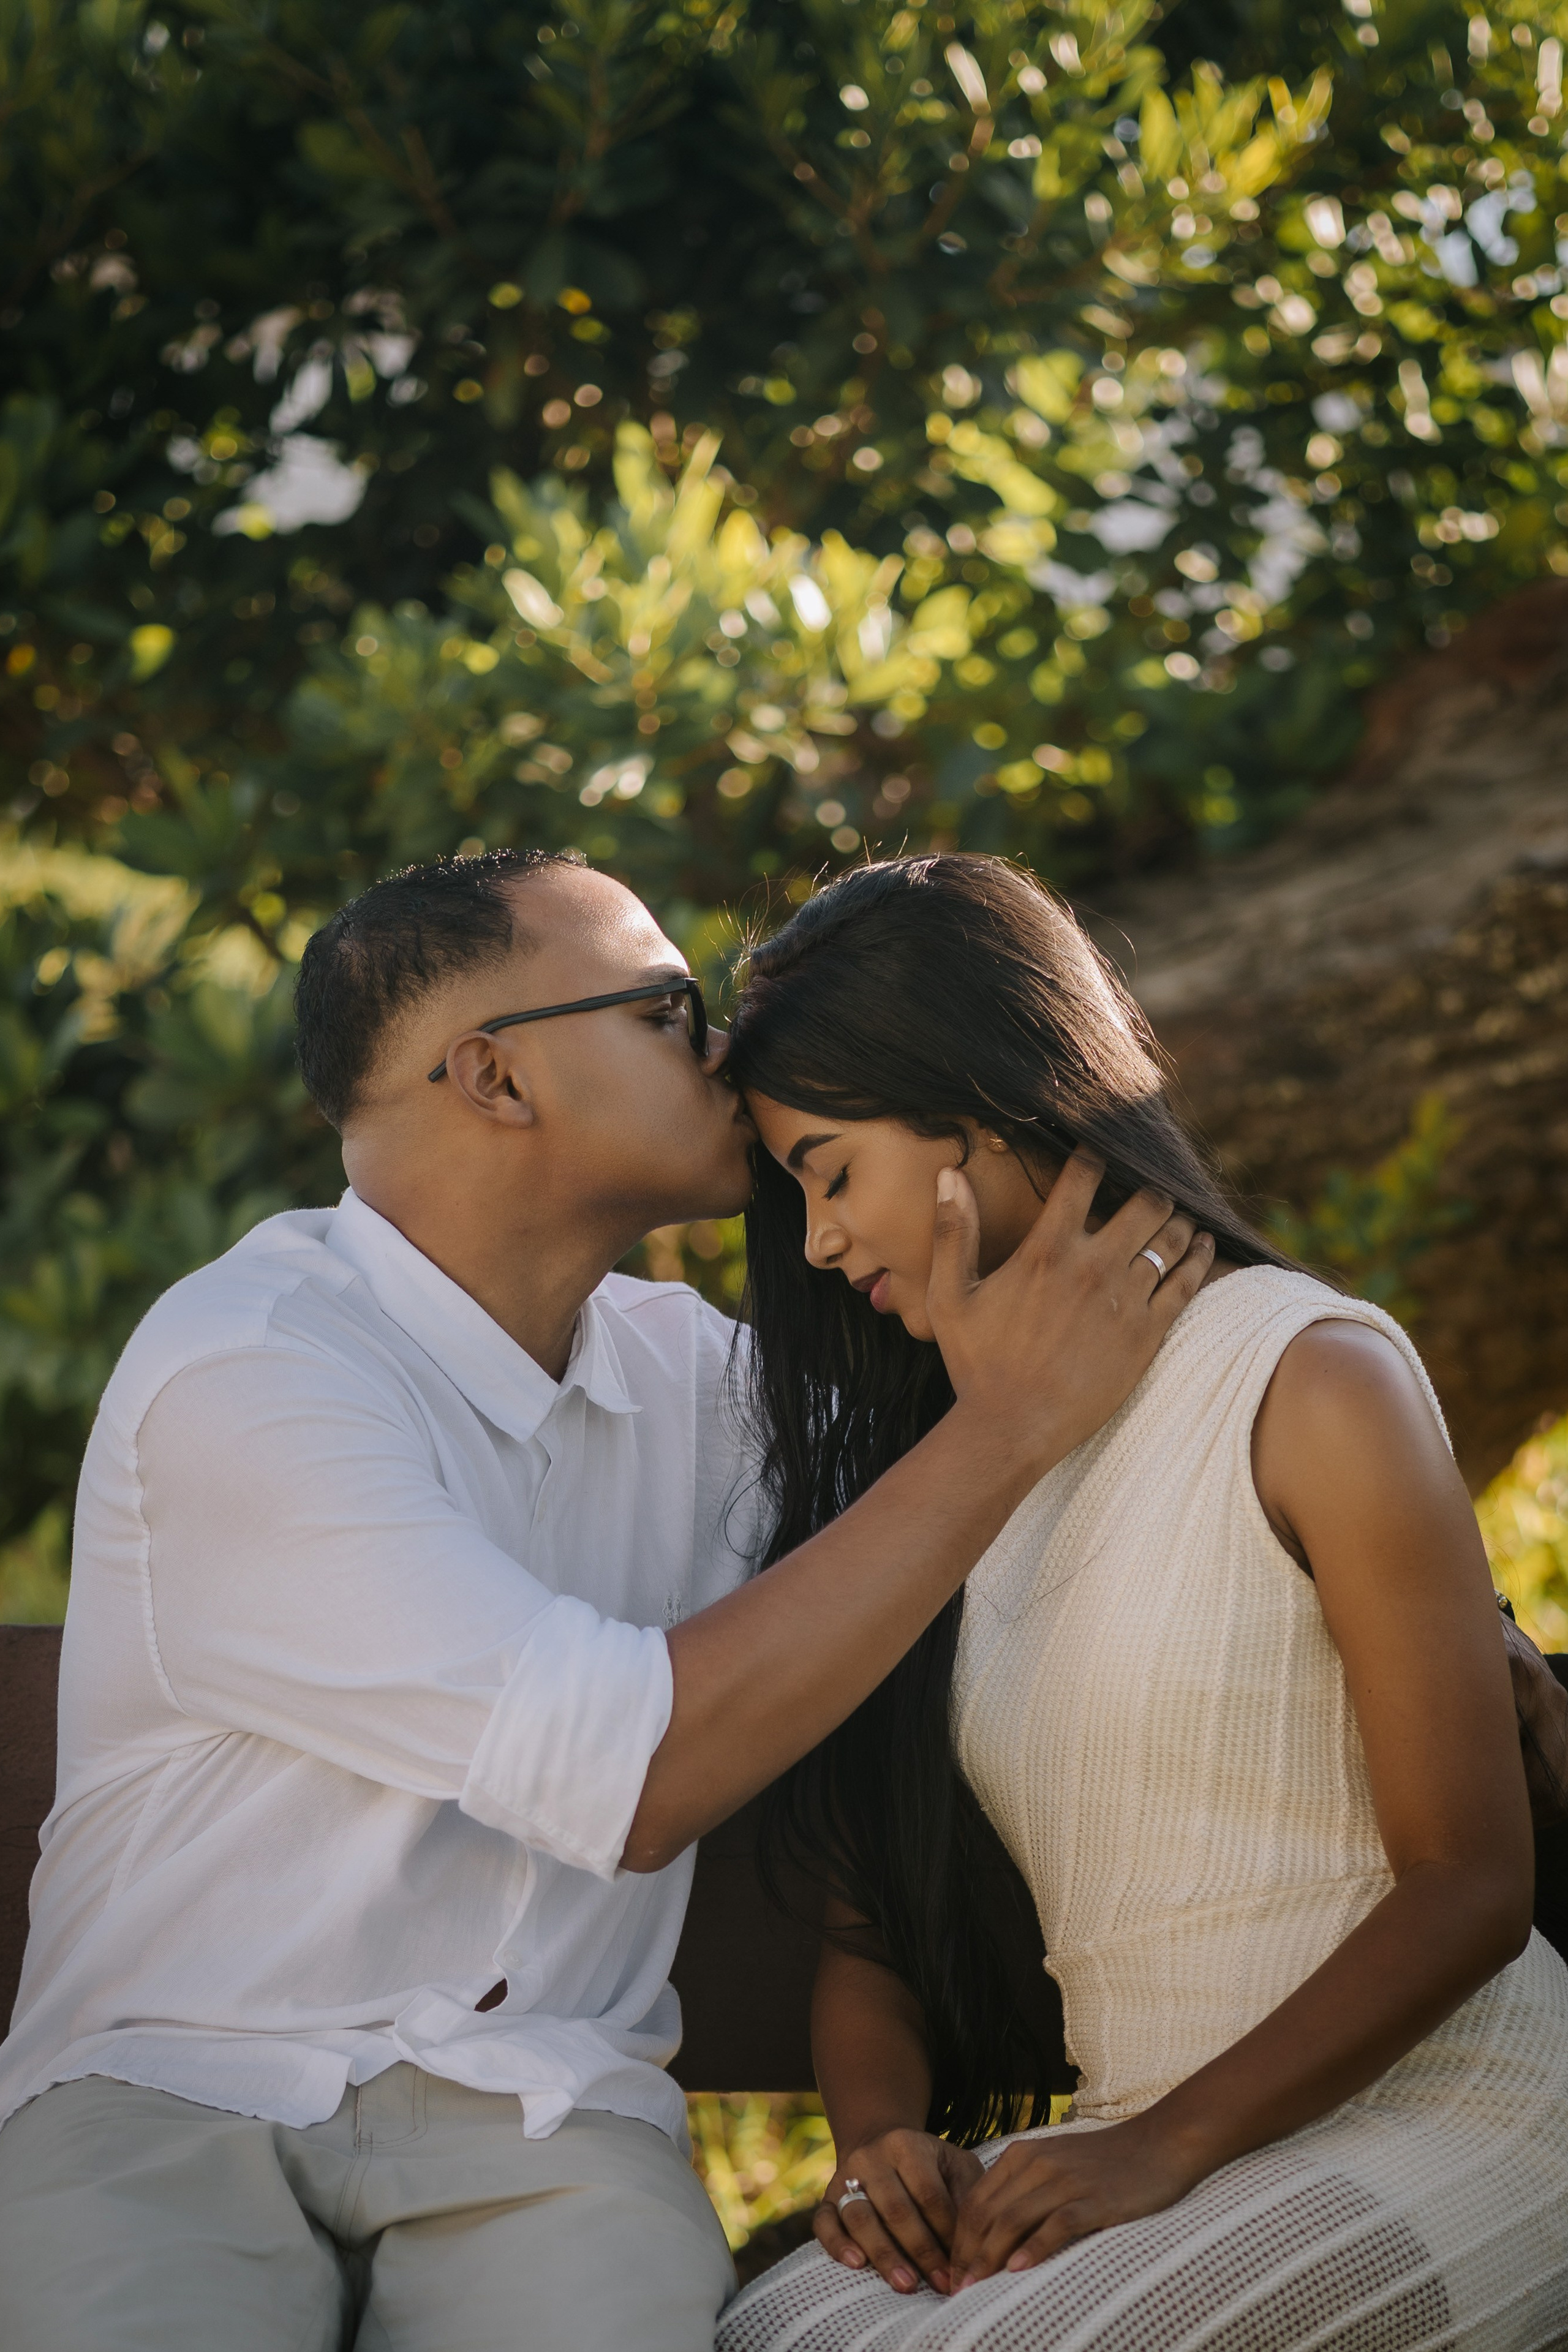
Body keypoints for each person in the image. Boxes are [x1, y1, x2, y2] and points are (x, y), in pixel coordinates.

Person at [0, 848, 1211, 2352]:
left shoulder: (691, 1379)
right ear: (495, 1079)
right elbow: (632, 1775)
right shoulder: (249, 1373)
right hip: (175, 2093)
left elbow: (1064, 1505)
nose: (726, 1050)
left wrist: (1417, 1617)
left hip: (546, 2118)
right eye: (663, 1008)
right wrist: (1000, 1428)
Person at [718, 854, 1568, 2352]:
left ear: (973, 1123)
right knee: (778, 2330)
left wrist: (1160, 2147)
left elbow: (1470, 1885)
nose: (820, 1244)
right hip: (1139, 2159)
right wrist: (881, 2152)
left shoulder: (1306, 1375)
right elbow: (873, 1924)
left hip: (1442, 2119)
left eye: (829, 1172)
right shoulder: (953, 1472)